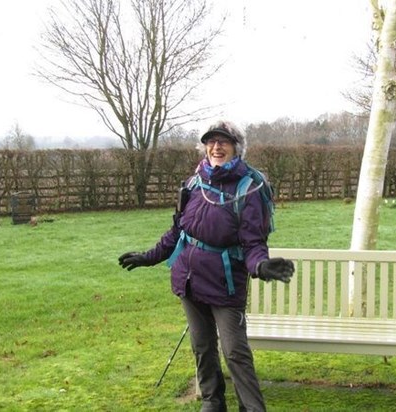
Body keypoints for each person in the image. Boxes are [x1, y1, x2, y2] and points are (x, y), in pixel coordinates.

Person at [118, 120, 294, 412]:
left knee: (235, 351)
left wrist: (260, 266)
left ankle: (252, 407)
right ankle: (213, 401)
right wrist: (148, 256)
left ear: (236, 147)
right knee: (202, 346)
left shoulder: (249, 188)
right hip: (188, 280)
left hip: (224, 284)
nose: (216, 147)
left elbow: (253, 244)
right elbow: (178, 232)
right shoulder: (194, 182)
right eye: (211, 141)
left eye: (223, 141)